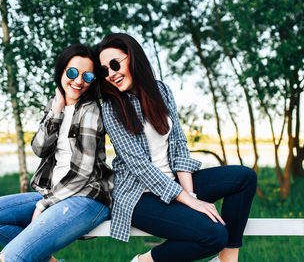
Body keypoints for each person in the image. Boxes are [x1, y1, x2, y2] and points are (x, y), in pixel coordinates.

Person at [96, 33, 257, 262]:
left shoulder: (161, 91)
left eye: (114, 64)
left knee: (244, 178)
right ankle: (143, 261)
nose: (111, 74)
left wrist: (190, 194)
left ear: (132, 58)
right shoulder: (111, 108)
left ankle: (227, 259)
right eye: (104, 70)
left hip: (174, 184)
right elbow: (139, 166)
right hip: (139, 197)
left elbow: (179, 144)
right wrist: (190, 201)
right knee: (214, 235)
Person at [0, 43, 113, 262]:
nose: (78, 81)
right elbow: (39, 148)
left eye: (87, 76)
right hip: (54, 193)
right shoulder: (54, 104)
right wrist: (56, 112)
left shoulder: (91, 111)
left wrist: (43, 205)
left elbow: (83, 172)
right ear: (62, 71)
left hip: (88, 198)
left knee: (12, 258)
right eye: (72, 72)